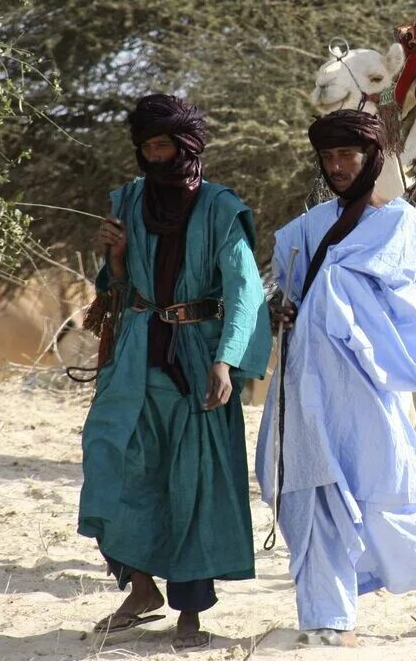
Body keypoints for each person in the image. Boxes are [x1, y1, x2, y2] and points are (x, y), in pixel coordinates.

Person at [256, 109, 416, 647]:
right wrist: (283, 310)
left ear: (372, 159)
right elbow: (285, 291)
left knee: (385, 495)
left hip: (368, 390)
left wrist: (352, 304)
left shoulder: (401, 225)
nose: (336, 166)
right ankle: (328, 620)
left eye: (347, 156)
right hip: (304, 390)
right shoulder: (306, 228)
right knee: (307, 496)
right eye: (328, 158)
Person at [78, 94, 271, 649]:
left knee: (195, 485)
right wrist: (113, 262)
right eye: (147, 147)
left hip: (197, 365)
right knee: (112, 460)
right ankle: (141, 587)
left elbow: (244, 293)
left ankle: (190, 615)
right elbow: (114, 290)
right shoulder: (129, 200)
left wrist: (226, 361)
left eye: (163, 145)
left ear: (186, 147)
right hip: (136, 360)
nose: (155, 156)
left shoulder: (219, 209)